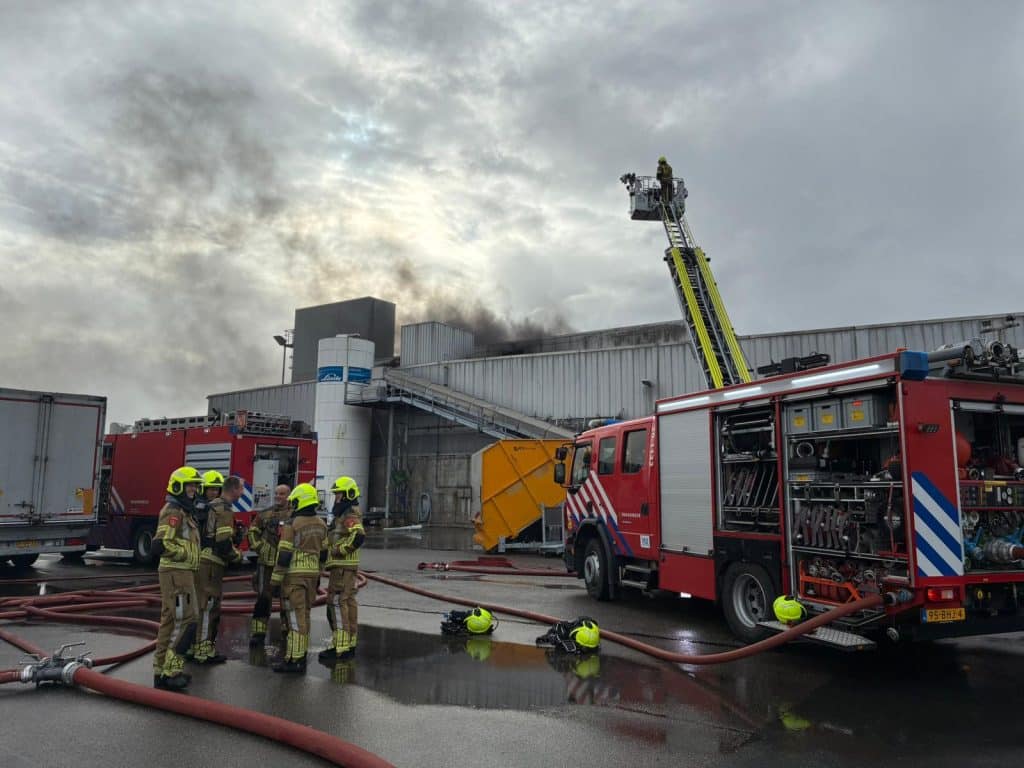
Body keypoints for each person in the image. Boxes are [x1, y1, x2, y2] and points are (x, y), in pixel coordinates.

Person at [151, 466, 202, 690]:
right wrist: (184, 554)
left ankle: (161, 671)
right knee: (187, 621)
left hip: (181, 572)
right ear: (179, 486)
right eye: (191, 485)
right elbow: (160, 544)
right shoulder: (173, 512)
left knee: (170, 622)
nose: (194, 489)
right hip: (176, 572)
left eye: (195, 485)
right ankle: (171, 672)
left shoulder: (183, 512)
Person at [271, 482, 328, 674]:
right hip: (312, 576)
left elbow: (285, 554)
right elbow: (324, 553)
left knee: (295, 617)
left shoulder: (292, 524)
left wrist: (275, 581)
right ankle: (301, 654)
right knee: (305, 615)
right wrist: (318, 574)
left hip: (294, 577)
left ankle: (294, 659)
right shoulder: (321, 524)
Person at [194, 472, 243, 664]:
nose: (242, 492)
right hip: (212, 562)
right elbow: (222, 543)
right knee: (208, 607)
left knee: (201, 605)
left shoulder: (210, 505)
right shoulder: (223, 508)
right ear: (234, 489)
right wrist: (236, 555)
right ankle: (203, 651)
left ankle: (195, 646)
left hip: (203, 559)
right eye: (241, 488)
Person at [319, 477, 366, 661]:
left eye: (338, 494)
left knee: (338, 603)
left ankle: (341, 646)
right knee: (348, 603)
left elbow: (359, 535)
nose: (336, 498)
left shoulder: (349, 515)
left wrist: (340, 550)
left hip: (342, 568)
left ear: (348, 495)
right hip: (344, 568)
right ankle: (349, 643)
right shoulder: (345, 513)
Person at [247, 483, 291, 646]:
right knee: (263, 599)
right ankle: (258, 633)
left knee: (286, 599)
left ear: (289, 495)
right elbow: (252, 531)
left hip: (286, 565)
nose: (279, 497)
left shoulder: (294, 515)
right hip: (266, 564)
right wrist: (259, 547)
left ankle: (288, 631)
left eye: (282, 494)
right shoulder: (265, 514)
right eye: (277, 493)